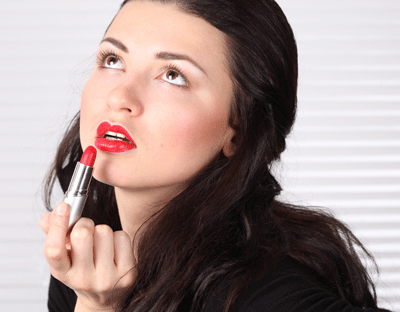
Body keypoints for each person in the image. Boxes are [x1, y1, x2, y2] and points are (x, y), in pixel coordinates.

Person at [40, 0, 392, 311]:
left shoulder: (263, 293)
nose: (119, 97)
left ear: (238, 131)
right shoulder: (87, 266)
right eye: (112, 59)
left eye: (173, 75)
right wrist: (94, 303)